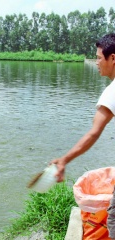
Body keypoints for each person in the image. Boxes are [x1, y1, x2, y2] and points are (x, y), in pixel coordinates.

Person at [51, 33, 115, 239]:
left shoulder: (112, 92)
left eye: (98, 57)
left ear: (112, 58)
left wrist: (64, 160)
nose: (96, 62)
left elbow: (94, 132)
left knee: (113, 219)